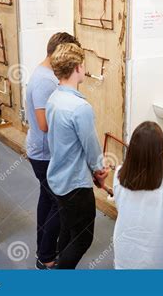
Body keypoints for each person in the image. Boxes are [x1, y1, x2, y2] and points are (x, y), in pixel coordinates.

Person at [46, 42, 109, 269]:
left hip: (57, 179)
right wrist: (100, 171)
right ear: (77, 68)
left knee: (67, 229)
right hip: (75, 185)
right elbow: (91, 148)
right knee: (83, 238)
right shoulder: (80, 107)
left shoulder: (54, 98)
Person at [25, 32, 81, 270]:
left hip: (43, 151)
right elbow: (44, 124)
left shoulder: (45, 74)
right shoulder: (44, 81)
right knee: (61, 204)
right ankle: (47, 256)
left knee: (47, 201)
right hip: (44, 154)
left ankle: (43, 249)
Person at [113, 121, 163, 269]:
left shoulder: (119, 174)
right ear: (160, 150)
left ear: (132, 149)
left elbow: (120, 206)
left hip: (124, 248)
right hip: (156, 253)